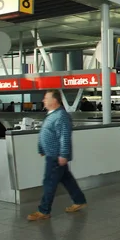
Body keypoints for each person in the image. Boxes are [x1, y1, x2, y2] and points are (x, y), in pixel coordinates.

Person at [27, 90, 87, 221]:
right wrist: (42, 148)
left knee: (49, 182)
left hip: (56, 155)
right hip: (52, 154)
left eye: (46, 98)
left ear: (55, 100)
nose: (43, 100)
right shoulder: (52, 114)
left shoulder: (61, 116)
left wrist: (63, 154)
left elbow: (64, 137)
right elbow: (46, 133)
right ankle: (79, 200)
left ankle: (44, 210)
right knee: (66, 179)